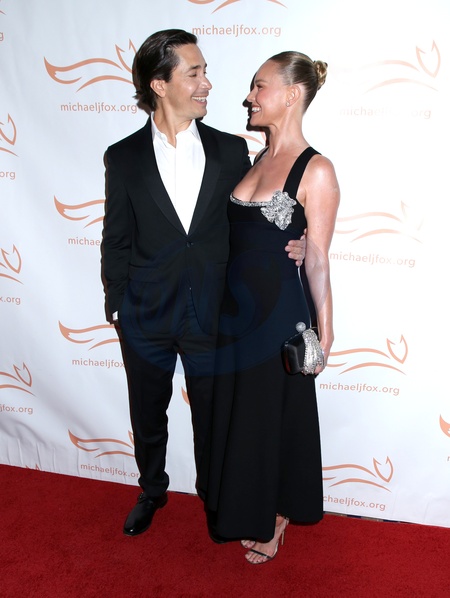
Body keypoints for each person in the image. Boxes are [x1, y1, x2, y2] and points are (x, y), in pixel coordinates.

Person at [101, 29, 306, 538]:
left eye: (205, 72)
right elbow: (116, 238)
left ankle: (217, 496)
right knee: (148, 413)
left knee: (215, 416)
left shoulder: (231, 150)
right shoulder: (122, 157)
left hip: (215, 313)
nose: (207, 83)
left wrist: (299, 243)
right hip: (145, 313)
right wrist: (119, 306)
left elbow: (257, 218)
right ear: (160, 84)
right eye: (194, 73)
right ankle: (152, 490)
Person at [203, 51, 340, 563]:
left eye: (259, 86)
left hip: (280, 317)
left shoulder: (316, 169)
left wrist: (326, 330)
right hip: (234, 317)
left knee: (270, 418)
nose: (249, 97)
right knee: (241, 417)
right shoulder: (254, 158)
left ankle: (277, 516)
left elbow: (318, 257)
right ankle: (248, 507)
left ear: (292, 94)